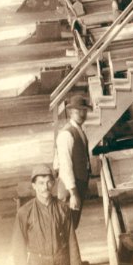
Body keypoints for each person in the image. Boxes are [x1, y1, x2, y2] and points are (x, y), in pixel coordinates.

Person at [11, 165, 82, 265]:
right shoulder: (24, 212)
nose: (45, 187)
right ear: (34, 186)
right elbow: (18, 246)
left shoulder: (63, 209)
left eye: (49, 182)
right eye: (41, 183)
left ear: (53, 183)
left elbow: (71, 240)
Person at [53, 94, 91, 230]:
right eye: (77, 110)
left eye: (84, 110)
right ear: (70, 112)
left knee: (72, 227)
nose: (82, 113)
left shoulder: (79, 130)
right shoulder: (66, 134)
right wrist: (74, 194)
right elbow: (65, 167)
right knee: (66, 227)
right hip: (70, 189)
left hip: (78, 184)